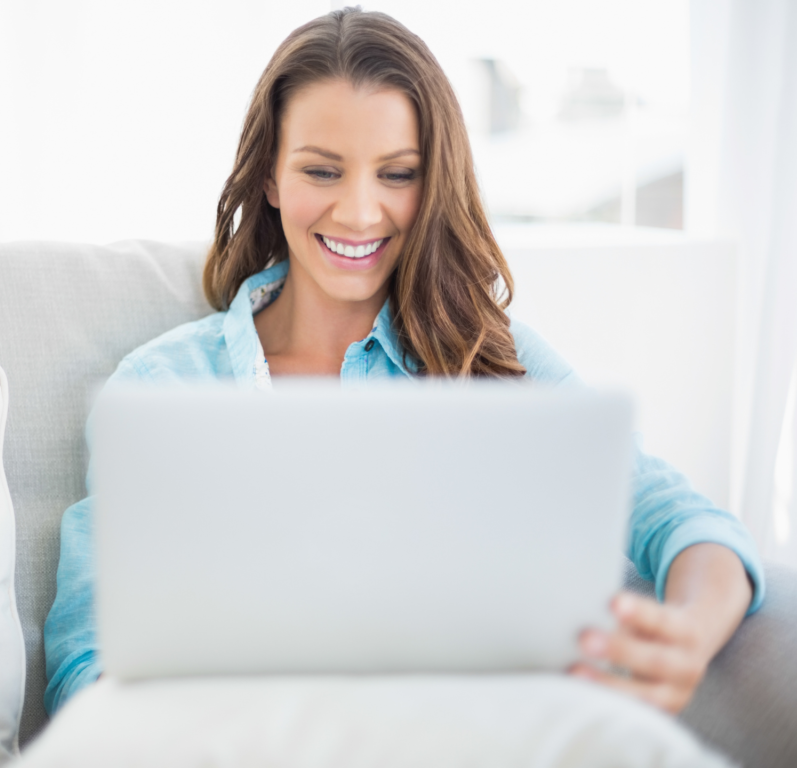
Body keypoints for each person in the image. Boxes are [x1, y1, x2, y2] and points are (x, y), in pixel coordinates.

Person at [44, 8, 763, 719]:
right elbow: (89, 664)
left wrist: (689, 637)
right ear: (268, 177)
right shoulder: (159, 391)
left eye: (398, 175)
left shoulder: (490, 359)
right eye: (322, 170)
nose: (359, 213)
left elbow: (681, 518)